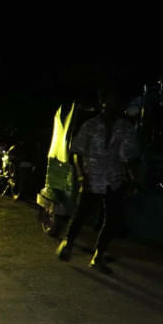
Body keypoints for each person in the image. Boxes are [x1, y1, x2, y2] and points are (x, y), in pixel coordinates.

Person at [56, 89, 140, 273]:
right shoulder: (90, 126)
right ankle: (68, 243)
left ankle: (98, 256)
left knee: (112, 220)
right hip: (91, 178)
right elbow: (76, 152)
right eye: (110, 102)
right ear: (103, 104)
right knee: (81, 214)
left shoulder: (125, 128)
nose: (113, 106)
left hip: (114, 179)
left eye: (117, 103)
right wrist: (80, 175)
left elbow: (128, 157)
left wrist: (133, 180)